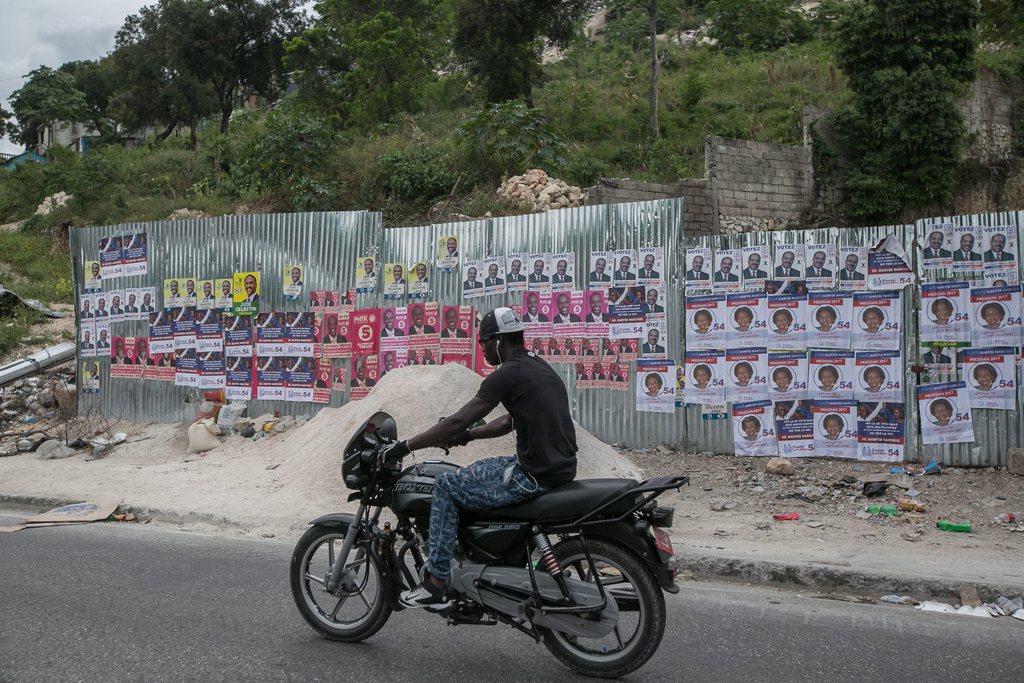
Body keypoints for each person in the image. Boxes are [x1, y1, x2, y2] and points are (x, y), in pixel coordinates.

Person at [387, 307, 577, 608]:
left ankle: (436, 580)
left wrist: (405, 446)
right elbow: (508, 421)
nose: (483, 349)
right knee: (473, 470)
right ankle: (475, 553)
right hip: (554, 467)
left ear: (499, 341)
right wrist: (469, 436)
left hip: (534, 476)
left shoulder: (507, 373)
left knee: (447, 486)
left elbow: (457, 420)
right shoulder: (538, 366)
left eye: (484, 342)